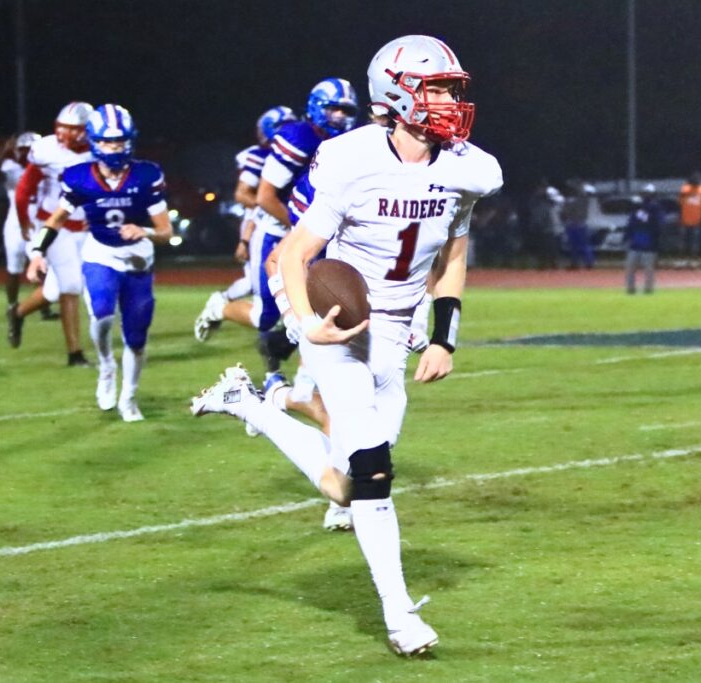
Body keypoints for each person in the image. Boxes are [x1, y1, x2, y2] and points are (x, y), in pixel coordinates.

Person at [192, 35, 502, 656]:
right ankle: (400, 617)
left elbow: (452, 259)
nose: (450, 101)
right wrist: (307, 323)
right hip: (341, 324)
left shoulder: (471, 168)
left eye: (452, 89)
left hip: (400, 329)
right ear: (396, 94)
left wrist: (444, 339)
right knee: (375, 470)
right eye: (437, 89)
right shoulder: (349, 158)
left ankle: (249, 405)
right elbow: (293, 254)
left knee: (348, 487)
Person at [27, 104, 172, 422]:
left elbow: (166, 231)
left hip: (137, 258)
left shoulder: (146, 175)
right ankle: (106, 365)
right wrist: (37, 252)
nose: (114, 148)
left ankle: (128, 397)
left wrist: (145, 230)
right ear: (94, 142)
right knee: (103, 315)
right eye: (107, 142)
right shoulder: (79, 177)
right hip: (100, 253)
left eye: (120, 142)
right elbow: (56, 219)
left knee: (136, 337)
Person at [194, 105, 296, 341]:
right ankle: (220, 307)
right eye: (285, 127)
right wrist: (247, 237)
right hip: (272, 232)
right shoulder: (260, 156)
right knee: (266, 316)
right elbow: (245, 196)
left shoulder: (305, 151)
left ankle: (295, 363)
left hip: (296, 233)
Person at [8, 102, 94, 367]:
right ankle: (75, 353)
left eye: (72, 128)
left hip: (86, 229)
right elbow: (24, 188)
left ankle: (18, 312)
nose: (64, 133)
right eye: (62, 127)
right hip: (55, 226)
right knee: (71, 286)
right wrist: (24, 220)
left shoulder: (101, 150)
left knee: (55, 290)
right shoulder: (46, 149)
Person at [0, 132, 43, 311]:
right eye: (23, 149)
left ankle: (44, 306)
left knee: (43, 266)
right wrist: (4, 152)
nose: (26, 153)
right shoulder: (11, 168)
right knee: (14, 268)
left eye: (30, 149)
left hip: (39, 225)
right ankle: (12, 306)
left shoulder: (48, 169)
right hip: (15, 225)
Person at [624, 183, 662, 294]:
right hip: (635, 244)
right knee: (630, 268)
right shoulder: (636, 209)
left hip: (649, 245)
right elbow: (631, 224)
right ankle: (630, 289)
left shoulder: (656, 209)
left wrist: (655, 243)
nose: (646, 195)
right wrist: (627, 237)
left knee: (648, 269)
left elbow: (658, 226)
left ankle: (648, 289)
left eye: (649, 193)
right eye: (645, 193)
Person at [677, 171, 701, 268]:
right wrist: (679, 217)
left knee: (695, 242)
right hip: (684, 220)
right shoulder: (684, 189)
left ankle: (694, 261)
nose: (696, 180)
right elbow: (679, 204)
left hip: (697, 221)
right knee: (682, 242)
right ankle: (682, 260)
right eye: (694, 178)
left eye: (698, 179)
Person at [561, 181, 595, 269]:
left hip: (577, 224)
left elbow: (566, 211)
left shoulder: (580, 199)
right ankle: (580, 262)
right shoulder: (580, 199)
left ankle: (585, 262)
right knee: (576, 245)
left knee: (581, 245)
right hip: (576, 224)